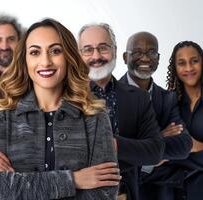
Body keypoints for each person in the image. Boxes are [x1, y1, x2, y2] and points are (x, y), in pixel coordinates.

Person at [0, 18, 119, 200]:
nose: (45, 61)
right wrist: (73, 180)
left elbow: (105, 192)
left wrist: (18, 182)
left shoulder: (95, 117)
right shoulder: (1, 117)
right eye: (35, 52)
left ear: (68, 56)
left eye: (55, 51)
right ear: (24, 60)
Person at [78, 23, 165, 200]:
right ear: (79, 55)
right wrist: (134, 152)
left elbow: (155, 151)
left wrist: (112, 144)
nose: (96, 56)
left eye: (103, 48)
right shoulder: (64, 96)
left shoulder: (138, 97)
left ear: (115, 51)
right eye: (88, 50)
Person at [120, 32, 192, 199]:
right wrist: (159, 138)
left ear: (158, 59)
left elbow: (184, 145)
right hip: (123, 192)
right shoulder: (109, 95)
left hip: (160, 193)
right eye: (137, 52)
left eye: (152, 52)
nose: (145, 58)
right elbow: (109, 152)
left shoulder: (168, 99)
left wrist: (136, 149)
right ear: (125, 57)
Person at [165, 41, 203, 200]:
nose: (188, 68)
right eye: (181, 63)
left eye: (194, 61)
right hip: (178, 192)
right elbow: (160, 159)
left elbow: (169, 154)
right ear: (175, 68)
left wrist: (193, 146)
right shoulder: (168, 104)